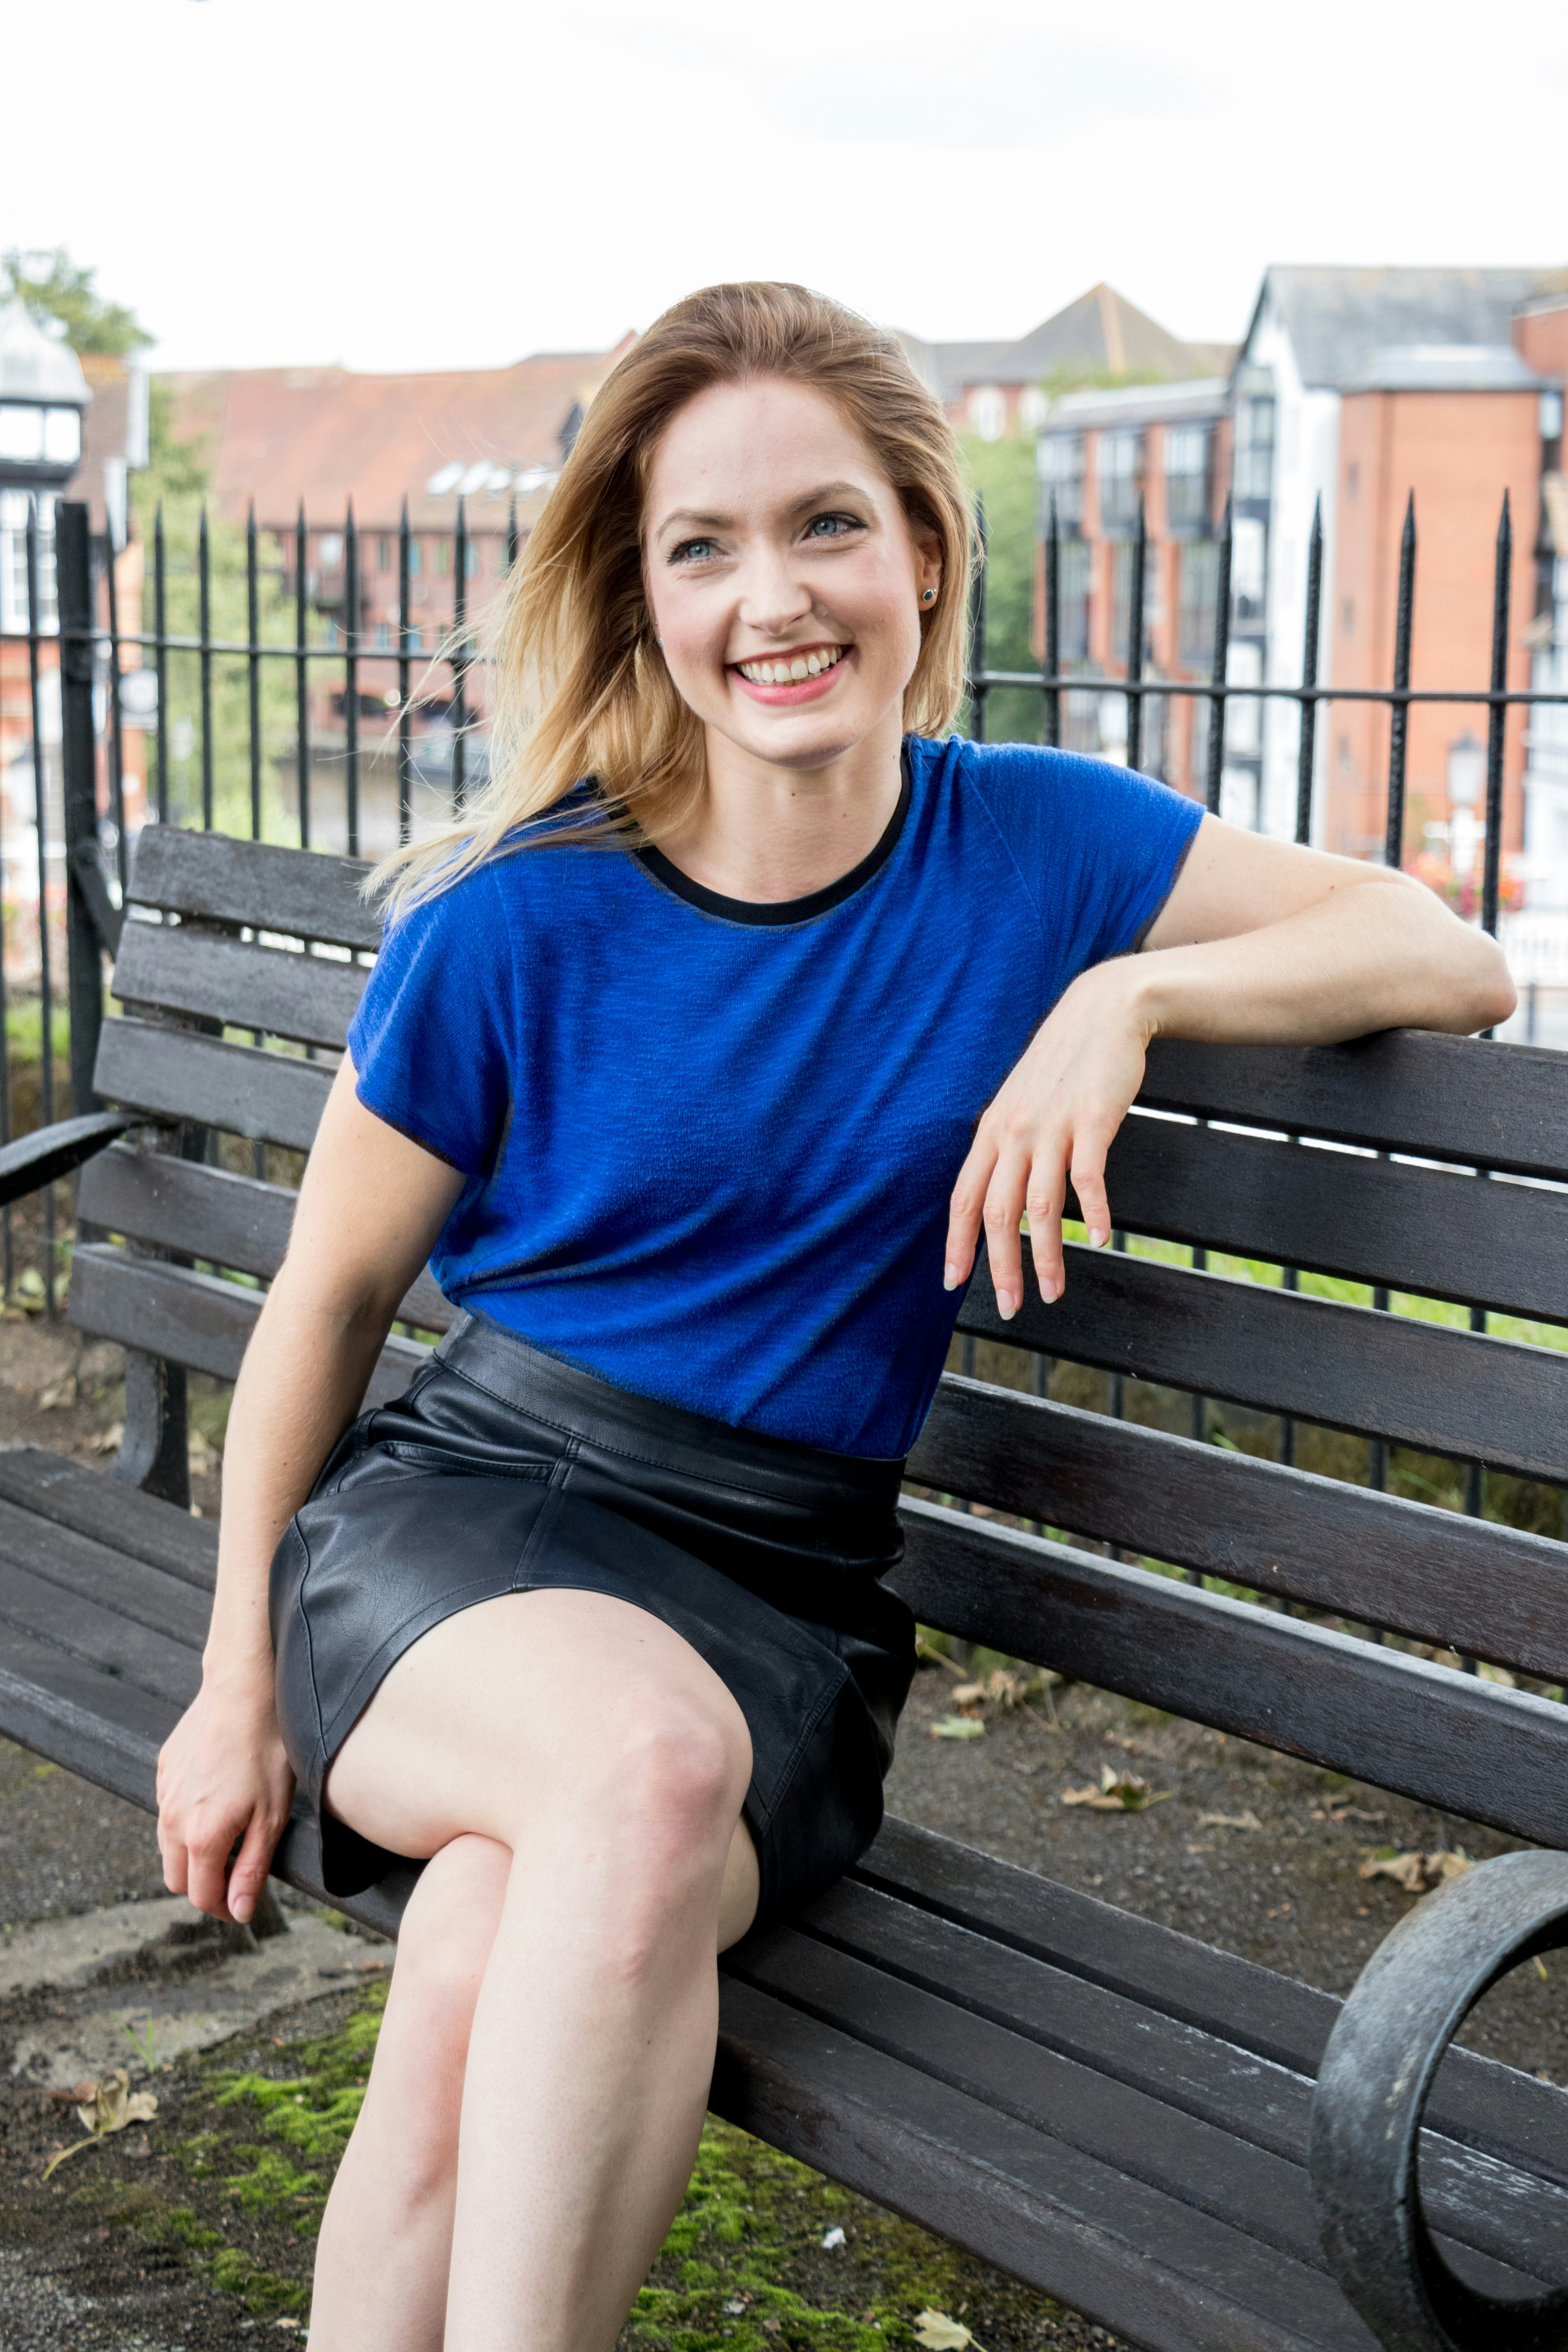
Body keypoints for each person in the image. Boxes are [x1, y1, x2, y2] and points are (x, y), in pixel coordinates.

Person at [153, 282, 1513, 2352]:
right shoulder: (517, 917)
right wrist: (236, 1679)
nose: (770, 601)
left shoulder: (1035, 849)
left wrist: (1130, 991)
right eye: (702, 546)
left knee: (484, 1953)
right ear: (645, 591)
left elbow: (1439, 947)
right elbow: (327, 1305)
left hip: (785, 1607)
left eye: (824, 527)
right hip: (465, 1543)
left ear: (923, 555)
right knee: (625, 1770)